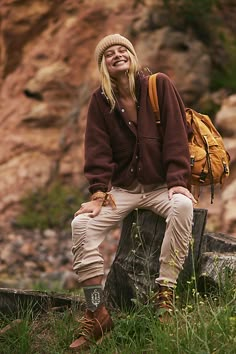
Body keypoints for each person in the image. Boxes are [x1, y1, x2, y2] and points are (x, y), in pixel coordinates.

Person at [69, 33, 196, 350]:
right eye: (108, 53)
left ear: (132, 55)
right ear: (103, 66)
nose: (116, 54)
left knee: (182, 206)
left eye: (121, 48)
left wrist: (179, 179)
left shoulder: (158, 84)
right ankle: (97, 311)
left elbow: (178, 135)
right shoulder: (100, 101)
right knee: (80, 226)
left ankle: (164, 294)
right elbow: (97, 152)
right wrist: (98, 194)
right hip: (124, 190)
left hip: (162, 186)